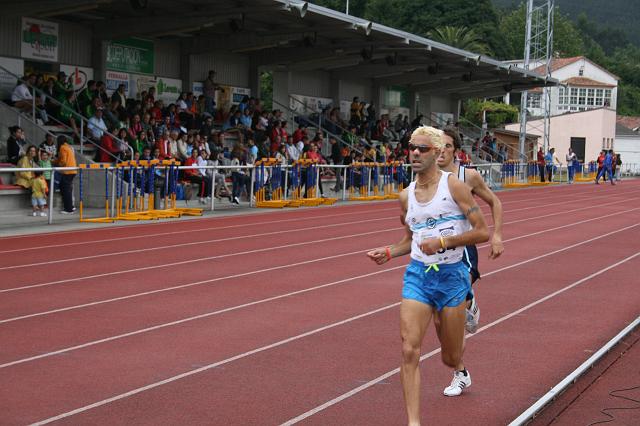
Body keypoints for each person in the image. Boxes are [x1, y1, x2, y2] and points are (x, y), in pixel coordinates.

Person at [367, 126, 489, 425]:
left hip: (451, 276)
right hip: (419, 276)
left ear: (437, 153)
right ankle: (413, 422)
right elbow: (410, 239)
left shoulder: (455, 187)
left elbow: (481, 231)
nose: (415, 153)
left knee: (450, 357)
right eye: (412, 147)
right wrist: (389, 251)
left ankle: (467, 308)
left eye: (422, 148)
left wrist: (444, 242)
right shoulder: (405, 197)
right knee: (409, 349)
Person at [54, 136, 77, 213]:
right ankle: (71, 206)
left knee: (66, 190)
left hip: (67, 171)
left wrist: (58, 164)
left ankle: (68, 209)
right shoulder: (68, 147)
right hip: (72, 170)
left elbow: (63, 161)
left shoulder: (62, 148)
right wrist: (56, 161)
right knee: (67, 189)